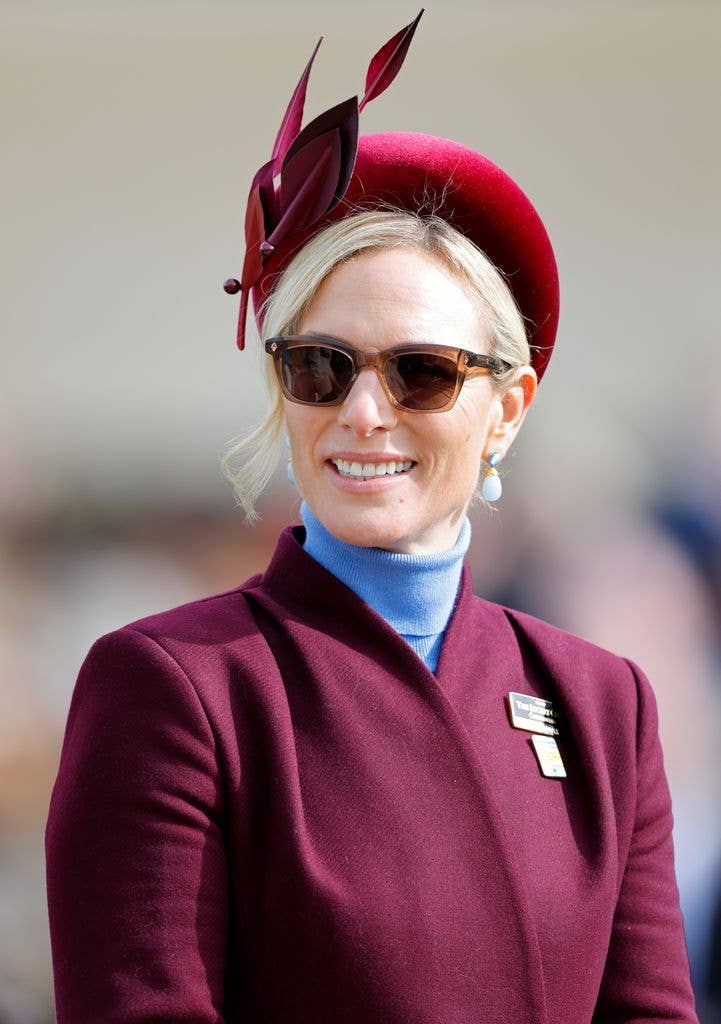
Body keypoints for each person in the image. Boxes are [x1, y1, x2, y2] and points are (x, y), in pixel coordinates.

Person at [44, 12, 700, 1023]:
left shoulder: (602, 704)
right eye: (321, 365)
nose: (362, 411)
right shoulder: (176, 688)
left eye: (421, 372)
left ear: (507, 409)